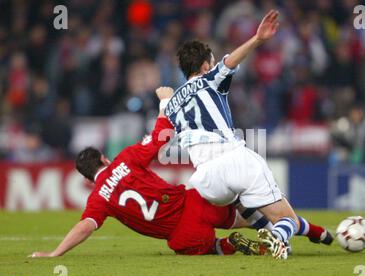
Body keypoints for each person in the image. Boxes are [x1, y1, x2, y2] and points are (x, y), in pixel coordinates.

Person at [30, 87, 332, 258]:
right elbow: (161, 135)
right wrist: (164, 103)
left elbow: (86, 227)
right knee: (250, 214)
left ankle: (232, 245)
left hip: (181, 234)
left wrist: (56, 253)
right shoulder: (126, 159)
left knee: (194, 247)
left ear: (86, 178)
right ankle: (304, 231)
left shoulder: (99, 199)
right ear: (104, 158)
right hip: (192, 202)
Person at [164, 10, 314, 259]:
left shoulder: (171, 105)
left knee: (245, 205)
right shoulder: (208, 79)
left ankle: (270, 236)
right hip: (233, 160)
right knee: (289, 221)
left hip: (206, 181)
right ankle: (276, 238)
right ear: (204, 66)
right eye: (210, 63)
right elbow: (230, 62)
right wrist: (257, 39)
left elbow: (162, 124)